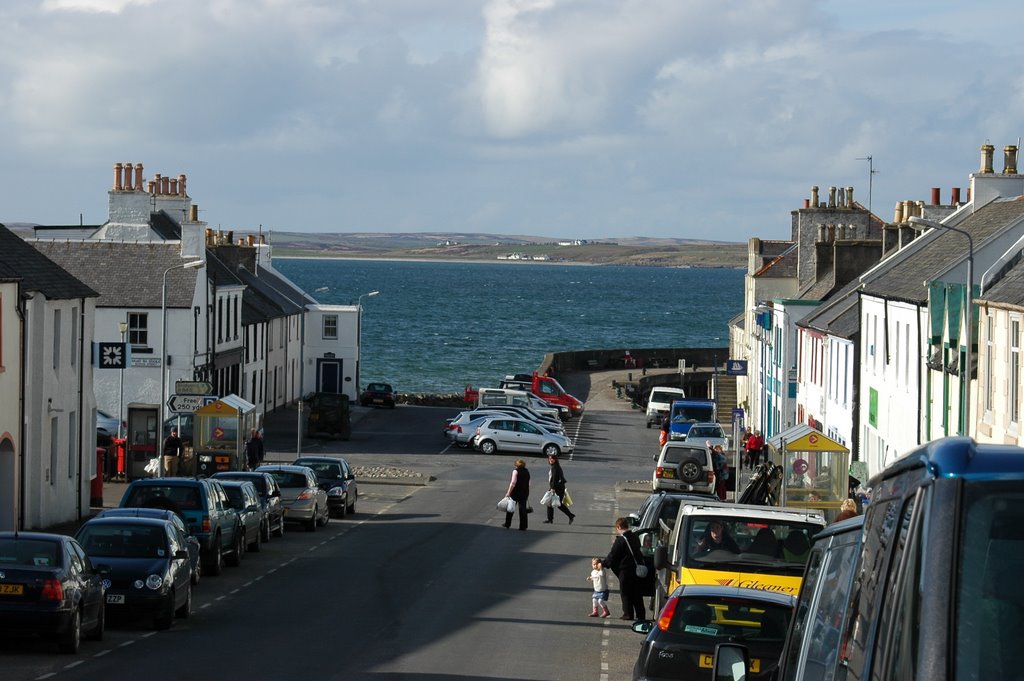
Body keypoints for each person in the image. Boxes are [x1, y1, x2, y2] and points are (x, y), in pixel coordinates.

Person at [603, 517, 647, 621]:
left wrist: (604, 563)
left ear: (618, 527)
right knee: (637, 593)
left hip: (626, 570)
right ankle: (641, 614)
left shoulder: (621, 540)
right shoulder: (635, 536)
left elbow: (613, 555)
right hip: (637, 568)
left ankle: (628, 613)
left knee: (626, 592)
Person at [543, 453, 576, 525]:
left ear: (555, 459)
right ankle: (550, 519)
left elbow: (554, 479)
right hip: (557, 487)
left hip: (557, 488)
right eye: (549, 459)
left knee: (557, 504)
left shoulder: (555, 467)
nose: (550, 460)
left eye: (552, 459)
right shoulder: (555, 466)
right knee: (550, 503)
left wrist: (553, 488)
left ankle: (570, 515)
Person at [502, 459, 531, 531]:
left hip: (515, 493)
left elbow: (513, 483)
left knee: (510, 508)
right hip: (524, 492)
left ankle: (507, 523)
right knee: (523, 509)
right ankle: (523, 526)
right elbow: (529, 482)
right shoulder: (527, 471)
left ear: (516, 465)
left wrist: (508, 492)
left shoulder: (515, 471)